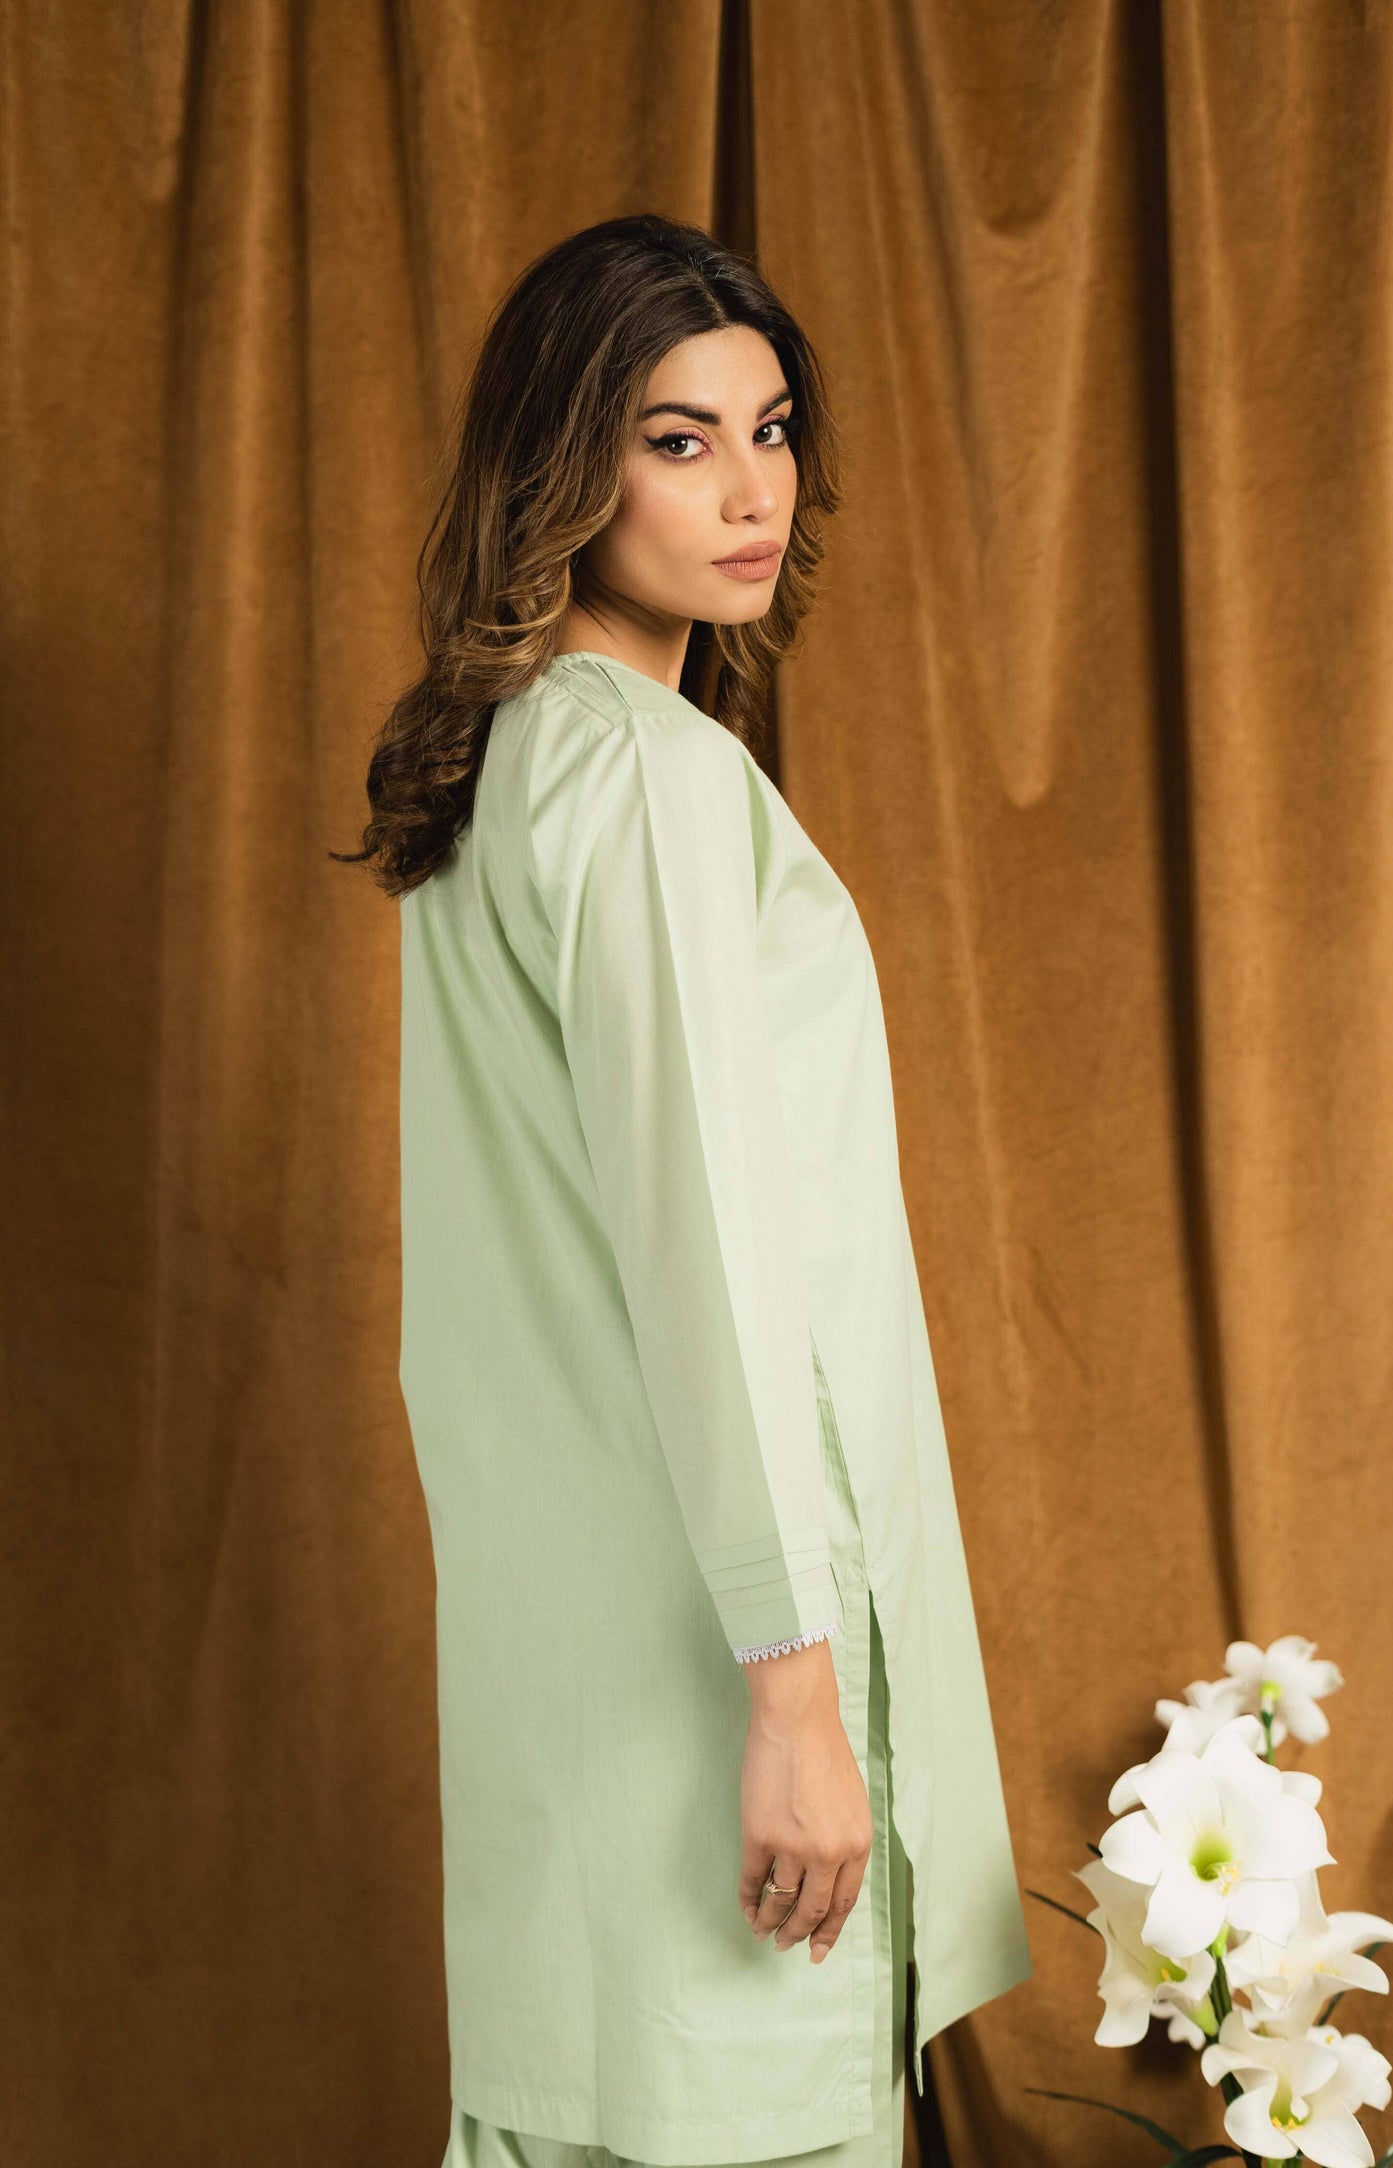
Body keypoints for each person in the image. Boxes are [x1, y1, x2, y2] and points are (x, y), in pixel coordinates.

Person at [336, 212, 1031, 2168]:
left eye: (771, 428)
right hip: (711, 1694)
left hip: (563, 1696)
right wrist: (796, 1700)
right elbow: (710, 1243)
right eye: (677, 439)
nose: (750, 491)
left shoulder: (510, 765)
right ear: (563, 465)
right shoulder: (639, 774)